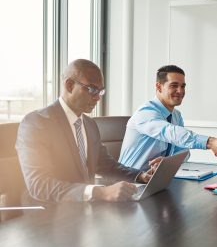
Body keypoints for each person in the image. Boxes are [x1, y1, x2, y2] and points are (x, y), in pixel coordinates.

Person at [16, 59, 152, 202]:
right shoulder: (37, 123)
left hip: (84, 209)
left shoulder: (89, 124)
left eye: (101, 91)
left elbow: (106, 165)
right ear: (69, 85)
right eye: (92, 89)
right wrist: (100, 192)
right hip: (48, 213)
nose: (98, 97)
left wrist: (141, 176)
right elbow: (39, 184)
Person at [118, 65, 217, 171]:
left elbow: (183, 152)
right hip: (130, 182)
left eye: (183, 86)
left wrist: (167, 162)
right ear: (159, 87)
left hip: (157, 178)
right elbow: (170, 132)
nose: (180, 91)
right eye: (174, 85)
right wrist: (210, 142)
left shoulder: (176, 115)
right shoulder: (145, 113)